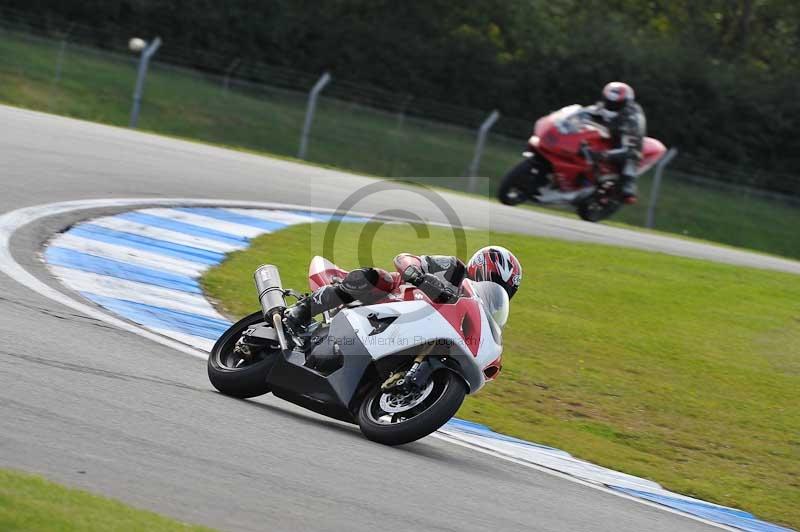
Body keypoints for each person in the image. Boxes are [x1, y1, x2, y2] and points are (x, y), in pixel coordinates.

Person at [284, 246, 522, 334]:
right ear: (480, 268)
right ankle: (302, 310)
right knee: (379, 278)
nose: (491, 291)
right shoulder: (453, 268)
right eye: (491, 282)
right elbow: (406, 258)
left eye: (500, 292)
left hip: (415, 328)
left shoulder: (476, 312)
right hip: (393, 298)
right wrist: (416, 273)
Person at [585, 81, 647, 202]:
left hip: (623, 139)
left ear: (625, 103)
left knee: (632, 154)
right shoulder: (601, 107)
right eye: (608, 101)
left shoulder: (632, 119)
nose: (610, 105)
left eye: (615, 104)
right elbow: (586, 112)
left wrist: (604, 155)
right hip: (606, 130)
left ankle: (628, 183)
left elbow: (629, 149)